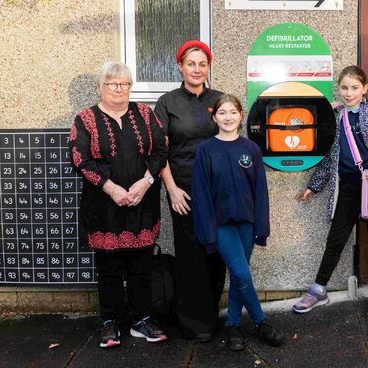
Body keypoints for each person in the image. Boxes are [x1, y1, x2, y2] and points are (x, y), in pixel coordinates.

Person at [292, 65, 368, 322]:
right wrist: (313, 186)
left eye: (354, 88)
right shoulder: (335, 116)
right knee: (335, 239)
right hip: (348, 188)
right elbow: (330, 157)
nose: (349, 93)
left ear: (365, 89)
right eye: (345, 88)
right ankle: (318, 289)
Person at [69, 62, 168, 348]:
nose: (119, 89)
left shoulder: (145, 114)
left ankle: (141, 320)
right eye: (112, 84)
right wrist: (111, 189)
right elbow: (79, 159)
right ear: (100, 87)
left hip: (143, 203)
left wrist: (146, 181)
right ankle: (110, 323)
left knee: (141, 265)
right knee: (109, 267)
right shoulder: (85, 118)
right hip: (104, 206)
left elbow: (161, 149)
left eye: (124, 84)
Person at [192, 94, 286, 351]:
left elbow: (260, 192)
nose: (228, 117)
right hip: (221, 225)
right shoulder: (206, 150)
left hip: (247, 222)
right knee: (242, 273)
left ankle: (233, 325)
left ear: (241, 116)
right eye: (222, 113)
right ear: (214, 117)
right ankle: (261, 321)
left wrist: (261, 227)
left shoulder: (251, 149)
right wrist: (207, 231)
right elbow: (200, 193)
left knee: (237, 276)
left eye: (233, 112)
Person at [154, 40, 226, 341]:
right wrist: (170, 189)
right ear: (180, 66)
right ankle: (195, 323)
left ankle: (211, 314)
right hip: (183, 189)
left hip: (218, 189)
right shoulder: (167, 102)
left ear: (208, 67)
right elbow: (159, 150)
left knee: (216, 252)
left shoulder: (220, 99)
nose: (197, 69)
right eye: (191, 63)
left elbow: (231, 137)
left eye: (202, 64)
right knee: (191, 254)